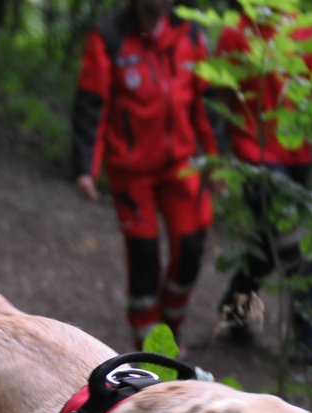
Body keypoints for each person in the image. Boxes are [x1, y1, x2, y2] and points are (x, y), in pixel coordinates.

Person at [72, 0, 220, 348]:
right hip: (131, 171)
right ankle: (149, 350)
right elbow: (92, 103)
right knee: (144, 259)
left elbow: (206, 105)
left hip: (181, 165)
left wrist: (217, 162)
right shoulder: (108, 37)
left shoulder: (191, 34)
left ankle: (170, 325)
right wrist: (85, 170)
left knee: (192, 247)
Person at [213, 5, 312, 367]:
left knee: (266, 249)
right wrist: (222, 160)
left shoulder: (302, 28)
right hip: (256, 154)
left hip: (299, 154)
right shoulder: (236, 32)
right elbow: (222, 100)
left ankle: (233, 312)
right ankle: (309, 340)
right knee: (295, 245)